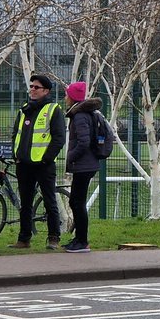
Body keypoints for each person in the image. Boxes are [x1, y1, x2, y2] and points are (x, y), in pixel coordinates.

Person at [11, 73, 65, 250]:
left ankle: (53, 237)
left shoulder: (53, 109)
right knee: (25, 203)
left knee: (50, 201)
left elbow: (59, 138)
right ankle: (24, 238)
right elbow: (16, 134)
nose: (32, 90)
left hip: (43, 166)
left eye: (36, 87)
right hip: (24, 164)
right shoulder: (24, 109)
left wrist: (46, 159)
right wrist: (16, 154)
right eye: (31, 87)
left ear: (46, 91)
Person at [62, 81, 100, 253]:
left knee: (77, 202)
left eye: (66, 95)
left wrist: (71, 156)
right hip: (86, 164)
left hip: (83, 165)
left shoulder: (79, 116)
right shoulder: (86, 113)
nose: (64, 98)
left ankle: (82, 241)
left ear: (72, 97)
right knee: (76, 201)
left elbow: (83, 142)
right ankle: (78, 239)